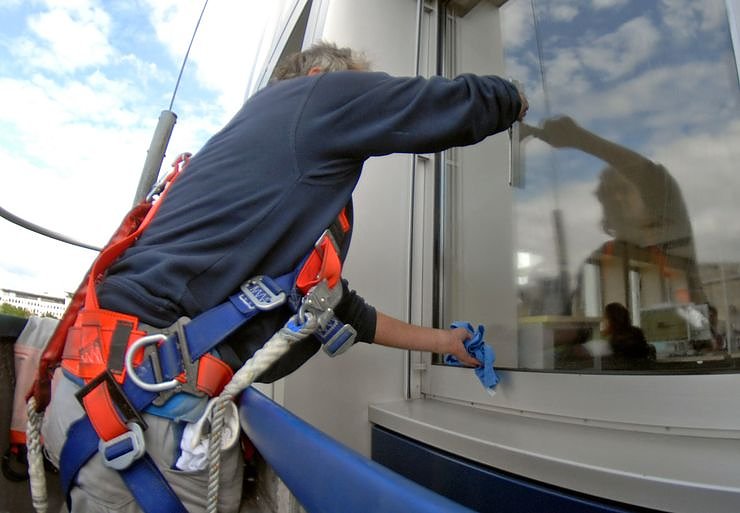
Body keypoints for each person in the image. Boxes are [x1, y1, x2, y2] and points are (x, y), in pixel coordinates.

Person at [41, 41, 528, 512]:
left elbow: (343, 311)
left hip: (104, 396)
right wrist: (516, 98)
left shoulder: (264, 173)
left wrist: (445, 342)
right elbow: (447, 104)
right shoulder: (310, 96)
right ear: (318, 78)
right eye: (356, 90)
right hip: (143, 418)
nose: (362, 105)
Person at [522, 116, 706, 315]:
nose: (617, 198)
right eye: (609, 193)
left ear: (649, 195)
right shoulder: (599, 260)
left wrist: (579, 138)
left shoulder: (672, 234)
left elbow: (647, 172)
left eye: (624, 189)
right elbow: (581, 316)